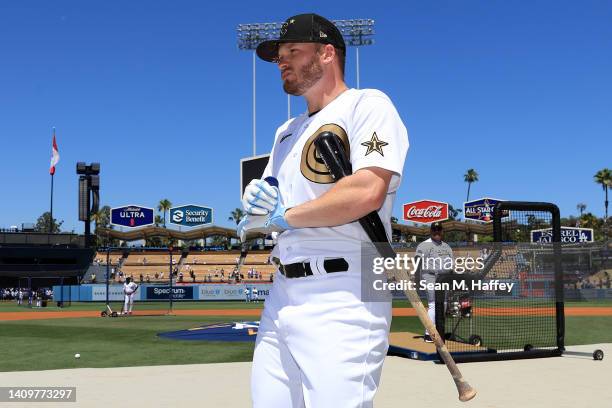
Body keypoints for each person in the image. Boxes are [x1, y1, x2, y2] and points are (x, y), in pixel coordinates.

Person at [239, 13, 408, 407]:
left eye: (292, 51)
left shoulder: (367, 104)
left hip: (344, 294)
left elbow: (367, 190)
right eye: (279, 54)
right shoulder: (286, 131)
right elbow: (271, 202)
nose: (282, 61)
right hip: (282, 293)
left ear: (327, 53)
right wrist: (256, 210)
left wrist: (286, 214)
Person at [415, 222, 454, 342]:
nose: (437, 232)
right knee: (433, 304)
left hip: (445, 278)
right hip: (430, 276)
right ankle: (429, 334)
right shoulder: (424, 245)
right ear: (431, 231)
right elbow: (418, 263)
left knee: (444, 304)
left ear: (442, 231)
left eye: (439, 230)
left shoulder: (447, 246)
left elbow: (451, 265)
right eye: (434, 230)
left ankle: (439, 331)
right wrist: (417, 280)